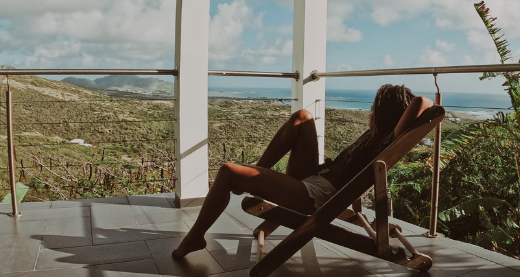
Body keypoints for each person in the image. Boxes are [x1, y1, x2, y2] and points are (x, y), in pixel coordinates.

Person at [172, 83, 435, 259]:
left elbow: (423, 102)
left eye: (374, 108)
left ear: (386, 113)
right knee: (302, 116)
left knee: (228, 171)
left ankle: (195, 238)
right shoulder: (375, 135)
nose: (369, 112)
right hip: (316, 177)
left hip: (315, 195)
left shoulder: (388, 139)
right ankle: (255, 173)